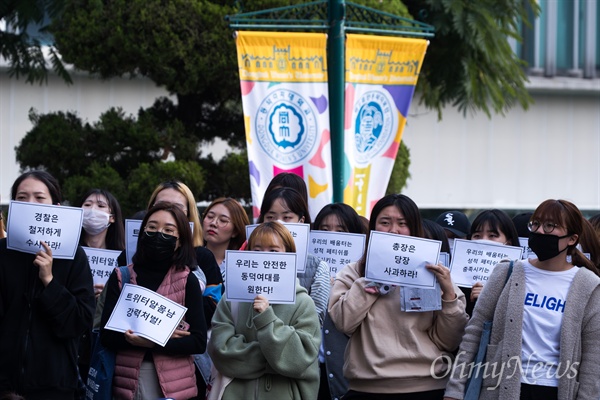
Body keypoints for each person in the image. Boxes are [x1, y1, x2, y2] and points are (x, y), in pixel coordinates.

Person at [444, 199, 600, 400]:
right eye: (536, 224)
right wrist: (455, 390)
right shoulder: (506, 272)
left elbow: (593, 357)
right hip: (500, 389)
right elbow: (474, 333)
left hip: (556, 390)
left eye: (550, 226)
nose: (540, 231)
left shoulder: (588, 285)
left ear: (572, 239)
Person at [329, 194, 469, 399]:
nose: (393, 230)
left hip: (427, 387)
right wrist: (372, 281)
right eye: (385, 223)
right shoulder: (354, 271)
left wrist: (448, 294)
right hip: (366, 389)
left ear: (414, 229)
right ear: (373, 228)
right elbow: (343, 323)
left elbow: (449, 341)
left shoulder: (433, 274)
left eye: (402, 224)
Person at [0, 170, 95, 399]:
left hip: (55, 386)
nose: (31, 204)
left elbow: (79, 322)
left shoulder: (74, 256)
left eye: (39, 198)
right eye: (22, 198)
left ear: (56, 206)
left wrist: (49, 281)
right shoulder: (3, 254)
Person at [100, 202, 207, 400]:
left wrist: (153, 342)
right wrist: (137, 337)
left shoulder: (187, 281)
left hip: (177, 387)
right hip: (128, 383)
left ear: (180, 240)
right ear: (142, 233)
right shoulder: (121, 277)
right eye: (151, 227)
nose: (159, 234)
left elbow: (198, 342)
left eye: (168, 230)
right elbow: (106, 335)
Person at [208, 221, 321, 399]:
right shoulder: (231, 298)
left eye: (274, 251)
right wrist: (276, 359)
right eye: (257, 250)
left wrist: (268, 320)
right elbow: (220, 350)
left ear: (289, 255)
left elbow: (299, 360)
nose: (264, 257)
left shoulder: (303, 302)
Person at [113, 180, 222, 327]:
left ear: (189, 215)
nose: (168, 212)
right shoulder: (129, 256)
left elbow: (214, 307)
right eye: (161, 206)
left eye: (177, 208)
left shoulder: (202, 257)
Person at [313, 203, 368, 400]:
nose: (332, 236)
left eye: (341, 230)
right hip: (310, 374)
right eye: (324, 229)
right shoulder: (303, 270)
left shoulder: (364, 276)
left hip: (347, 377)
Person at [258, 186, 330, 325]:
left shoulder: (318, 267)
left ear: (301, 221)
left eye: (287, 217)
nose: (278, 223)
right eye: (270, 217)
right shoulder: (245, 260)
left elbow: (316, 320)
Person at [76, 188, 126, 383]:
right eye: (87, 205)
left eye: (100, 206)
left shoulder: (123, 258)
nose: (92, 210)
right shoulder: (67, 253)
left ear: (112, 217)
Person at [464, 209, 520, 316]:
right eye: (477, 236)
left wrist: (490, 298)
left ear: (508, 243)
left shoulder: (521, 278)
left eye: (492, 235)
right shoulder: (457, 278)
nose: (484, 240)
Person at [202, 197, 249, 282]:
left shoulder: (242, 268)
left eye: (223, 220)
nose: (213, 223)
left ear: (235, 231)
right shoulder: (189, 257)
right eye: (210, 216)